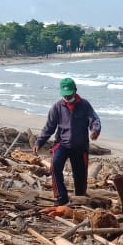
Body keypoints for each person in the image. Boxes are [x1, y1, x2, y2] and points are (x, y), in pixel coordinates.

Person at [33, 77, 101, 206]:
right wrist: (39, 142)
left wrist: (95, 130)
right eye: (65, 95)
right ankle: (61, 197)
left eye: (70, 94)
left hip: (80, 146)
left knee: (80, 174)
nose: (67, 97)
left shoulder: (85, 105)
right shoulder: (57, 107)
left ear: (75, 90)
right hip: (62, 143)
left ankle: (80, 198)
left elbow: (94, 119)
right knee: (55, 165)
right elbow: (49, 127)